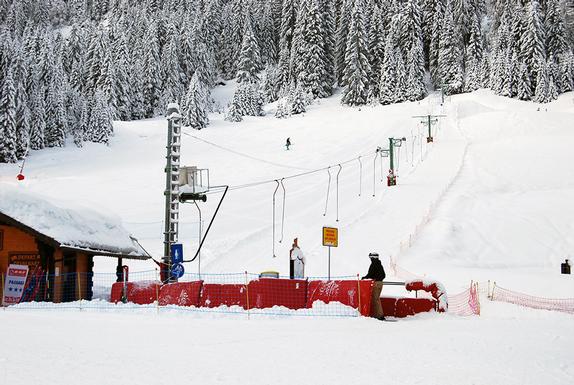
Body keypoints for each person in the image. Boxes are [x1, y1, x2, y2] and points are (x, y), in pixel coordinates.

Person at [362, 252, 386, 320]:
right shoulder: (380, 265)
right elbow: (384, 275)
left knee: (375, 300)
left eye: (370, 257)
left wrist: (365, 278)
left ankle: (380, 316)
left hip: (376, 283)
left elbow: (370, 274)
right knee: (377, 299)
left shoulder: (373, 264)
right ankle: (379, 315)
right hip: (380, 283)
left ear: (373, 258)